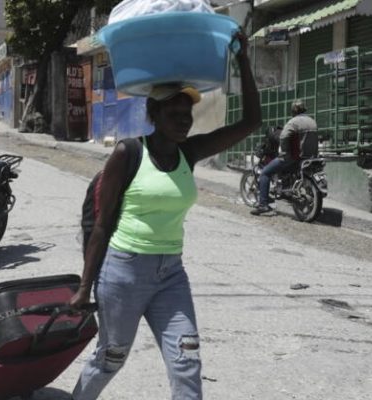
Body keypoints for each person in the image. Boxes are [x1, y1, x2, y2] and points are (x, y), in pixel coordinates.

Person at [67, 32, 260, 400]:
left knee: (187, 363)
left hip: (171, 274)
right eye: (173, 112)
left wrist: (244, 61)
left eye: (186, 112)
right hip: (122, 274)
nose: (183, 119)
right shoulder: (128, 153)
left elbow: (251, 122)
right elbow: (103, 224)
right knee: (111, 358)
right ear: (152, 114)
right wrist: (83, 287)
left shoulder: (191, 152)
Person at [251, 100, 316, 215]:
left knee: (265, 173)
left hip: (293, 157)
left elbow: (283, 137)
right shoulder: (312, 121)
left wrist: (284, 151)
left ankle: (263, 206)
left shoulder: (293, 122)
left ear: (293, 110)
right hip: (308, 157)